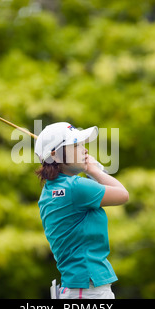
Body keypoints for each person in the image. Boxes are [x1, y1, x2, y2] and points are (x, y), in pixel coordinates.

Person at [34, 122, 129, 299]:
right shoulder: (76, 187)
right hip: (87, 289)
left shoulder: (49, 191)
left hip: (80, 287)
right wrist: (95, 170)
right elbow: (123, 195)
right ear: (54, 156)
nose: (84, 150)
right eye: (76, 145)